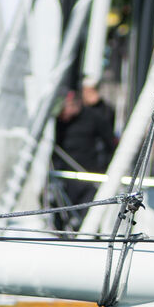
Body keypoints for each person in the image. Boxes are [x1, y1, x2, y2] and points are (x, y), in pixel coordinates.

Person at [53, 83, 118, 226]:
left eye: (64, 110)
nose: (62, 115)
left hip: (89, 176)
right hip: (65, 177)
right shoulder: (58, 123)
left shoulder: (94, 117)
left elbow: (110, 143)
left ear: (72, 104)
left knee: (86, 218)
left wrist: (104, 168)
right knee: (60, 218)